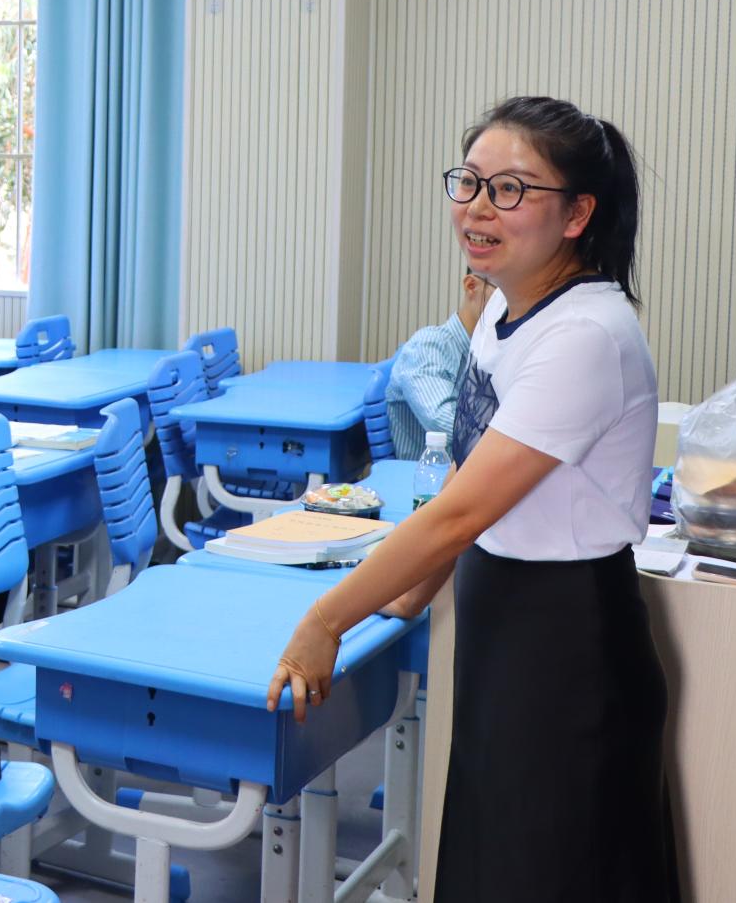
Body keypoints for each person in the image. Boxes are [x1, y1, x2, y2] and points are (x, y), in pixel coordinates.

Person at [266, 96, 676, 902]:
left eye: (512, 189)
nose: (479, 208)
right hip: (503, 626)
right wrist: (411, 590)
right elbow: (468, 468)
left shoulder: (586, 335)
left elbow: (461, 512)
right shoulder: (502, 307)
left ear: (578, 213)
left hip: (568, 646)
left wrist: (325, 620)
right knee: (492, 864)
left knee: (550, 872)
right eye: (471, 182)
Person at [383, 268, 492, 463]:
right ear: (471, 286)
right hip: (427, 481)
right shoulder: (429, 347)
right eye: (503, 292)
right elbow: (446, 426)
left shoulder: (487, 351)